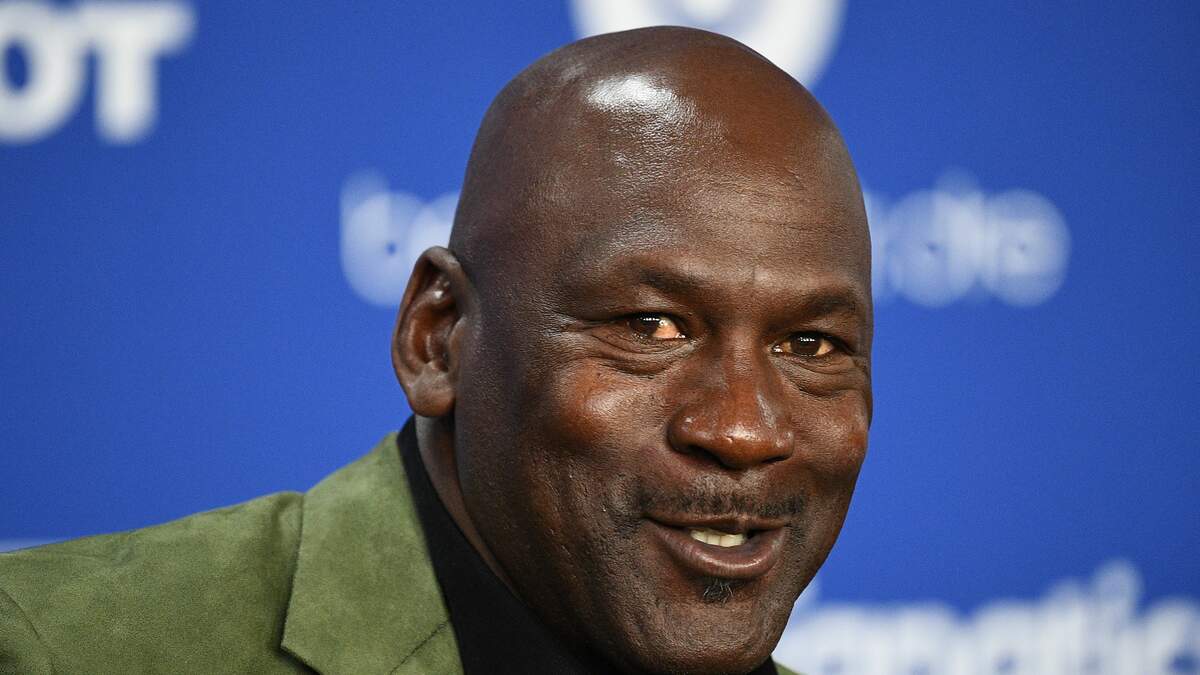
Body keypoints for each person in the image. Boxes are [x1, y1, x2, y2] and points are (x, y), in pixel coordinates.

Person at [0, 26, 871, 674]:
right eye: (651, 327)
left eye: (811, 343)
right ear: (438, 337)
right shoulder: (56, 649)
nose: (744, 429)